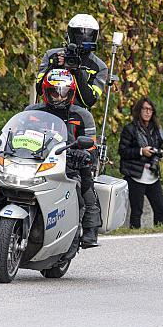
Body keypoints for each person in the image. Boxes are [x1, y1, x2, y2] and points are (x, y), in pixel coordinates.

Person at [26, 69, 102, 247]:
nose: (59, 97)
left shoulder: (83, 115)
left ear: (71, 92)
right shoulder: (32, 112)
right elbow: (16, 133)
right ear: (45, 91)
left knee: (85, 183)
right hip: (36, 161)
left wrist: (83, 154)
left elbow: (91, 147)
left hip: (70, 164)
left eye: (63, 92)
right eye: (54, 92)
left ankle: (90, 229)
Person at [36, 14, 108, 110]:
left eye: (89, 37)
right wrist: (53, 67)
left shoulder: (99, 66)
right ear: (69, 35)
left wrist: (76, 71)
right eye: (78, 36)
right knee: (28, 111)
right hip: (49, 111)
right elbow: (39, 90)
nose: (83, 41)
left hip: (77, 115)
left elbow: (89, 101)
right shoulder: (51, 56)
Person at [118, 97, 163, 229]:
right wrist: (141, 151)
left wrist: (158, 153)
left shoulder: (156, 130)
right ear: (139, 110)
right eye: (145, 109)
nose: (148, 112)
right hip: (135, 175)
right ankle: (135, 237)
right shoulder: (130, 129)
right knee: (136, 212)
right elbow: (122, 151)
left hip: (152, 174)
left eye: (150, 110)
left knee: (160, 208)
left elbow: (161, 148)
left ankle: (161, 234)